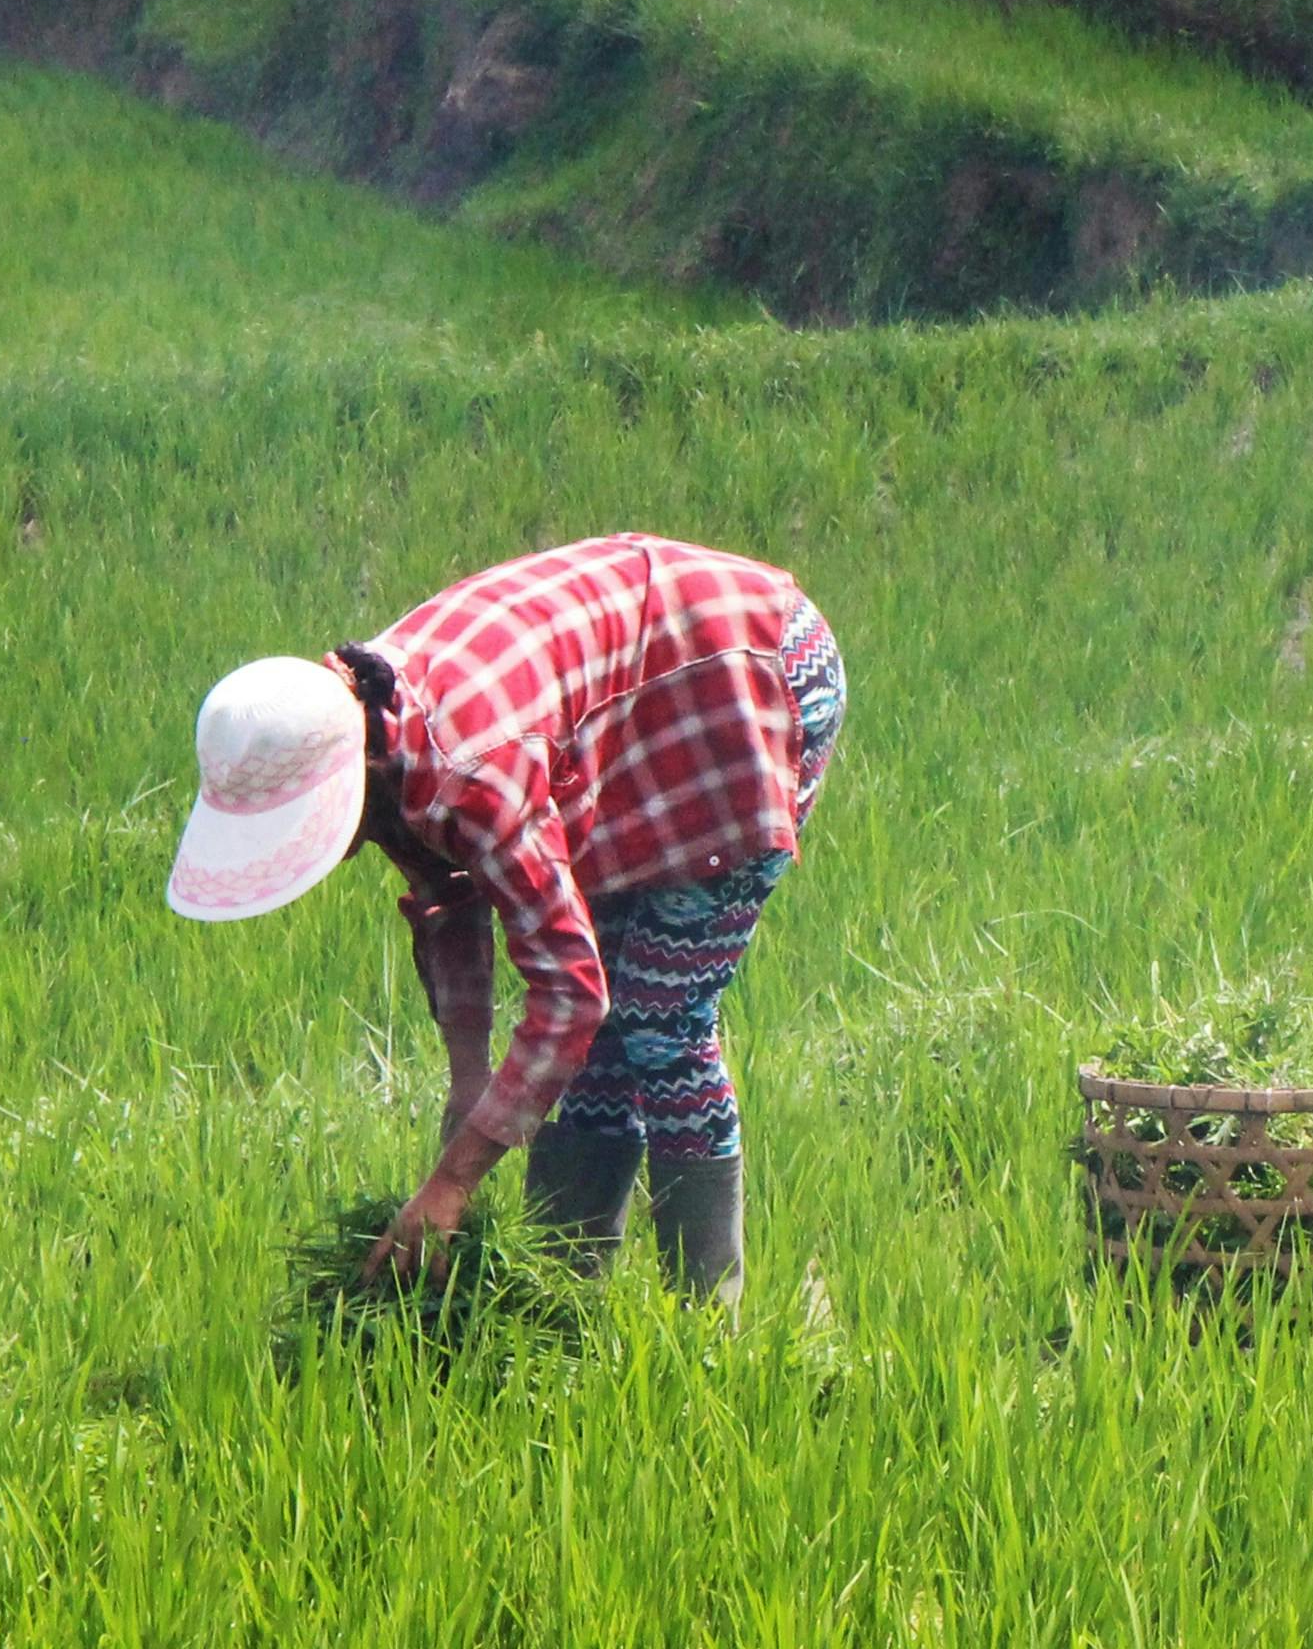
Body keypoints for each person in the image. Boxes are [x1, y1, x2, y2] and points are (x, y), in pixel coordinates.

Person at [166, 536, 844, 1299]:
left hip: (743, 674)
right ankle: (565, 1301)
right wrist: (468, 1076)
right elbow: (447, 893)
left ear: (353, 777)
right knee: (598, 1041)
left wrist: (452, 1184)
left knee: (660, 1018)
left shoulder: (470, 770)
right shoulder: (373, 733)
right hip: (626, 707)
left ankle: (708, 1322)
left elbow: (571, 996)